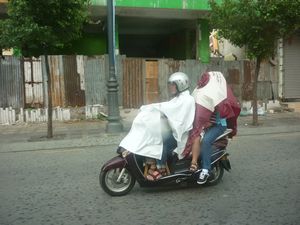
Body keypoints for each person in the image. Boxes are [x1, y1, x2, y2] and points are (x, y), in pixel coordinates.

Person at [119, 72, 195, 180]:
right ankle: (149, 163)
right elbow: (168, 108)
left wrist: (151, 107)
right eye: (170, 85)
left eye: (173, 85)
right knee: (152, 135)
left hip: (182, 135)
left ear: (180, 84)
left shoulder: (187, 99)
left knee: (160, 141)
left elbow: (171, 110)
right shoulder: (179, 98)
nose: (170, 87)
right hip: (175, 131)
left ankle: (160, 168)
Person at [182, 71, 240, 184]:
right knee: (193, 137)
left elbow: (213, 119)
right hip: (208, 125)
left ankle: (205, 170)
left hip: (218, 126)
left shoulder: (218, 97)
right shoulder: (203, 94)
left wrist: (203, 124)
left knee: (206, 141)